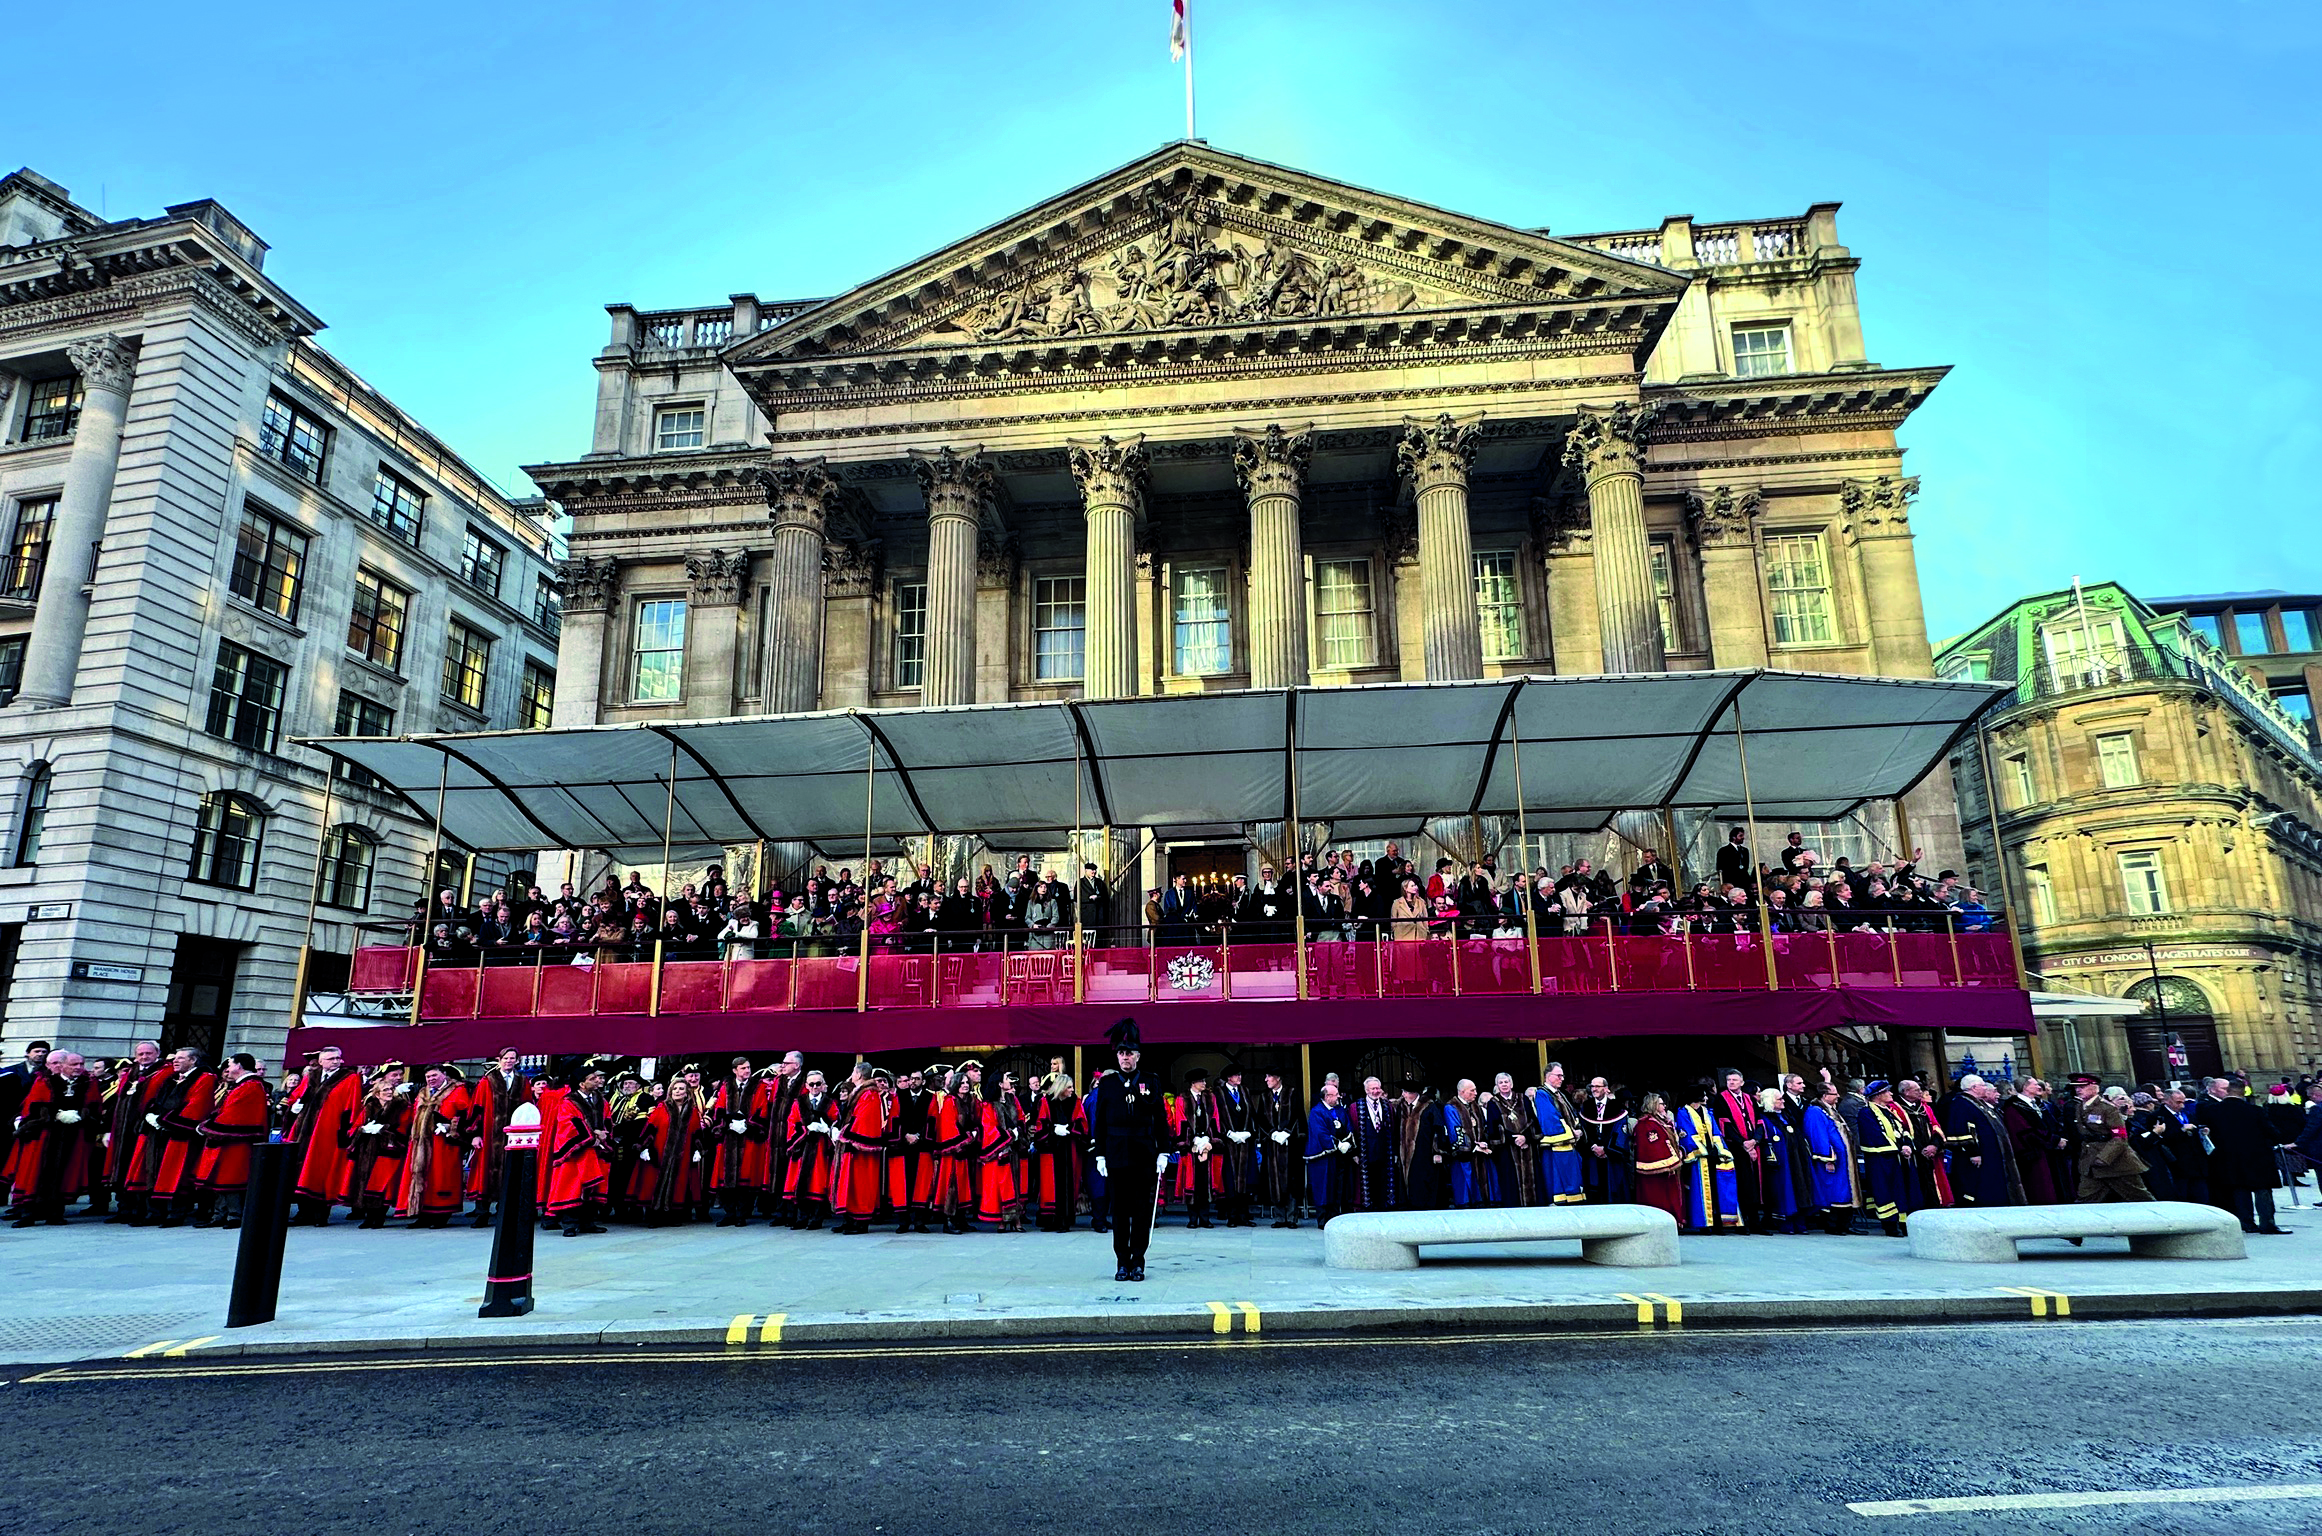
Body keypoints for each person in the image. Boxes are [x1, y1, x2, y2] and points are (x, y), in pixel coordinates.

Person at [1091, 1018, 1170, 1280]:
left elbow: (1160, 1118)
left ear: (1138, 1055)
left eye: (1130, 1053)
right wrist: (1100, 1153)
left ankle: (1138, 1260)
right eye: (1121, 1053)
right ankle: (1122, 1261)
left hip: (1143, 1153)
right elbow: (1099, 1120)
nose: (1125, 1058)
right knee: (1120, 1211)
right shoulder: (1107, 1084)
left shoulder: (1151, 1081)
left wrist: (1163, 1151)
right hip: (1115, 1153)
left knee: (1141, 1210)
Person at [5, 1051, 93, 1226]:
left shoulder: (88, 1083)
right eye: (74, 1065)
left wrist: (83, 1115)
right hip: (45, 1136)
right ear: (62, 1065)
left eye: (81, 1064)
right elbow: (34, 1107)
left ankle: (55, 1213)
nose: (78, 1068)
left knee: (64, 1173)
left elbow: (94, 1106)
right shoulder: (46, 1082)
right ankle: (28, 1214)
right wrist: (56, 1114)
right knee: (36, 1173)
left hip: (72, 1137)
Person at [2193, 1075, 2287, 1233]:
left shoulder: (2212, 1110)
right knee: (2262, 1190)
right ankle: (2267, 1223)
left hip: (2230, 1158)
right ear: (2243, 1092)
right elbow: (2272, 1132)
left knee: (2240, 1190)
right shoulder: (2255, 1111)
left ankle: (2247, 1223)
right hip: (2257, 1157)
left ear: (2228, 1091)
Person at [288, 1046, 364, 1226]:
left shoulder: (350, 1078)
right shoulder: (311, 1077)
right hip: (305, 1131)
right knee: (301, 1170)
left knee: (324, 1171)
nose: (336, 1061)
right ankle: (303, 1211)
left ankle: (321, 1214)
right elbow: (296, 1097)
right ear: (321, 1061)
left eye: (338, 1058)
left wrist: (347, 1133)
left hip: (329, 1134)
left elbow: (352, 1107)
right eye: (331, 1059)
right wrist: (293, 1107)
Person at [193, 1054, 270, 1229]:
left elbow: (235, 1116)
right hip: (228, 1141)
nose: (227, 1068)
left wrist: (206, 1127)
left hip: (237, 1143)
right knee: (220, 1177)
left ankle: (233, 1215)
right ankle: (219, 1214)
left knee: (231, 1178)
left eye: (230, 1064)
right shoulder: (243, 1085)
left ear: (240, 1066)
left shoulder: (250, 1086)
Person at [463, 1047, 533, 1227]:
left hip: (512, 1136)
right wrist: (475, 1135)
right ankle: (482, 1213)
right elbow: (477, 1109)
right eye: (506, 1058)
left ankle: (505, 1212)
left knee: (510, 1172)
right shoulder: (488, 1081)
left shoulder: (522, 1081)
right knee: (484, 1173)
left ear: (517, 1061)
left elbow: (527, 1107)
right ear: (499, 1059)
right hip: (489, 1133)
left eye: (512, 1058)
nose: (509, 1061)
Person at [398, 1066, 471, 1228]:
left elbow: (465, 1114)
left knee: (441, 1177)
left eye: (434, 1075)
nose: (431, 1079)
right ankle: (423, 1213)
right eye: (428, 1076)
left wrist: (450, 1127)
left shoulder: (457, 1090)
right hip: (420, 1142)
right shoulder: (423, 1093)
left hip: (443, 1142)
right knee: (421, 1177)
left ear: (443, 1075)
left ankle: (441, 1214)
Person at [547, 1065, 613, 1236]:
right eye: (592, 1078)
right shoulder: (568, 1101)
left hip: (596, 1149)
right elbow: (569, 1124)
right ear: (582, 1084)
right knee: (572, 1186)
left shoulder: (601, 1100)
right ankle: (569, 1224)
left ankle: (587, 1222)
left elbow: (607, 1119)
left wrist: (603, 1134)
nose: (597, 1080)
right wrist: (592, 1135)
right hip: (577, 1152)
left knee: (593, 1187)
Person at [2067, 1073, 2153, 1203]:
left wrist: (2104, 1157)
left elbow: (2120, 1137)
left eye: (2082, 1086)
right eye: (2076, 1087)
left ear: (2095, 1088)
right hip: (2091, 1161)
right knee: (2086, 1199)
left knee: (2139, 1196)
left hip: (2117, 1163)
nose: (2078, 1090)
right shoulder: (2079, 1107)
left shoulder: (2107, 1108)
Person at [1940, 1075, 2020, 1208]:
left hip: (1990, 1154)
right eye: (1983, 1085)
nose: (1985, 1088)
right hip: (1977, 1156)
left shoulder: (1977, 1102)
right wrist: (1973, 1152)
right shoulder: (1961, 1104)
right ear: (1974, 1087)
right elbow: (1963, 1130)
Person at [831, 1063, 890, 1235]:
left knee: (861, 1185)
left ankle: (860, 1221)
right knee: (850, 1185)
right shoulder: (860, 1092)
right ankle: (849, 1219)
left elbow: (864, 1121)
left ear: (858, 1074)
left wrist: (845, 1133)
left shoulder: (869, 1094)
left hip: (859, 1149)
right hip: (850, 1147)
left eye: (853, 1072)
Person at [1673, 1085, 1739, 1231]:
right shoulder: (1683, 1113)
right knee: (1700, 1191)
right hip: (1699, 1157)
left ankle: (1718, 1221)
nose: (1707, 1098)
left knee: (1717, 1189)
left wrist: (1719, 1150)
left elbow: (1716, 1131)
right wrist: (1704, 1151)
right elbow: (1688, 1134)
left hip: (1713, 1155)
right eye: (1704, 1095)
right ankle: (1704, 1223)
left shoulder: (1707, 1112)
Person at [1710, 1068, 1768, 1233]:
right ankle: (1742, 1223)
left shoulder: (1749, 1098)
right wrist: (1743, 1143)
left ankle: (1756, 1222)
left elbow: (1759, 1121)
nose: (1731, 1083)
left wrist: (1755, 1140)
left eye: (1735, 1080)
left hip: (1753, 1146)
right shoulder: (1721, 1098)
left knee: (1756, 1185)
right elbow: (1725, 1124)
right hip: (1736, 1148)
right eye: (1729, 1080)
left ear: (1742, 1082)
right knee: (1742, 1184)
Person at [1853, 1080, 1914, 1236]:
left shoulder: (1889, 1111)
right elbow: (1873, 1135)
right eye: (1887, 1092)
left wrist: (1906, 1145)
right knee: (1885, 1190)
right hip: (1881, 1159)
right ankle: (1890, 1225)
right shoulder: (1866, 1113)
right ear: (1878, 1095)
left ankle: (1903, 1223)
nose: (1891, 1094)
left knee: (1900, 1191)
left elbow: (1902, 1130)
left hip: (1896, 1158)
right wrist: (1898, 1149)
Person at [1802, 1081, 1861, 1234]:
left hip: (1844, 1162)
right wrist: (1827, 1158)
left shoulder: (1830, 1110)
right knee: (1834, 1192)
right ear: (1825, 1096)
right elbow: (1818, 1136)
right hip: (1832, 1162)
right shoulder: (1815, 1111)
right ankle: (1833, 1226)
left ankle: (1845, 1224)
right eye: (1835, 1094)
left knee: (1845, 1191)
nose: (1838, 1096)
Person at [783, 1070, 839, 1230]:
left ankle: (816, 1219)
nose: (815, 1087)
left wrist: (827, 1129)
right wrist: (805, 1130)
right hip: (802, 1149)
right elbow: (791, 1123)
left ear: (823, 1085)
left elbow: (836, 1122)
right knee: (799, 1184)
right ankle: (801, 1218)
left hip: (821, 1150)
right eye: (812, 1084)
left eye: (818, 1083)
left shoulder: (830, 1103)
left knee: (818, 1184)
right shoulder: (798, 1102)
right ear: (806, 1086)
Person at [1033, 1061, 1083, 1232]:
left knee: (1068, 1183)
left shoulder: (1075, 1102)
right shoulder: (1047, 1102)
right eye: (1069, 1087)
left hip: (1069, 1149)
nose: (1072, 1090)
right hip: (1051, 1150)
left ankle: (1065, 1220)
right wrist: (1054, 1130)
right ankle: (1051, 1220)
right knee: (1050, 1186)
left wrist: (1069, 1129)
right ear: (1061, 1087)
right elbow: (1040, 1125)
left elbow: (1082, 1124)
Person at [888, 1067, 940, 1234]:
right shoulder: (899, 1097)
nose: (913, 1082)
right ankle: (903, 1222)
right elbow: (894, 1119)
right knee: (901, 1185)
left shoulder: (930, 1098)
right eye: (911, 1079)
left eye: (917, 1079)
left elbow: (933, 1120)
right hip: (903, 1147)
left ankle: (919, 1222)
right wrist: (905, 1136)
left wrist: (918, 1136)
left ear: (923, 1081)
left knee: (921, 1185)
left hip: (922, 1146)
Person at [1527, 1062, 1585, 1207]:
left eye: (1562, 1075)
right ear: (1548, 1076)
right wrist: (1572, 1133)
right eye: (1558, 1075)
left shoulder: (1559, 1094)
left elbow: (1572, 1115)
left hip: (1568, 1147)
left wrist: (1578, 1129)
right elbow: (1549, 1119)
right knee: (1559, 1184)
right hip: (1556, 1148)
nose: (1562, 1078)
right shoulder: (1542, 1094)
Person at [1209, 1064, 1257, 1227]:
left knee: (1245, 1178)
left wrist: (1248, 1132)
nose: (1240, 1077)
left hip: (1244, 1141)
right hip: (1228, 1142)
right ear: (1229, 1077)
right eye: (1237, 1075)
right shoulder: (1218, 1093)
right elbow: (1216, 1116)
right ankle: (1232, 1216)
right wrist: (1228, 1133)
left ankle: (1244, 1215)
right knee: (1231, 1179)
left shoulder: (1244, 1091)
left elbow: (1251, 1113)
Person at [1304, 1079, 1355, 1227]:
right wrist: (1338, 1144)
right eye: (1336, 1094)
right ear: (1327, 1097)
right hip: (1323, 1157)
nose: (1339, 1097)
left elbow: (1348, 1127)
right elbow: (1320, 1133)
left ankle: (1334, 1218)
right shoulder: (1316, 1112)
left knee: (1337, 1187)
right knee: (1323, 1186)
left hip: (1339, 1156)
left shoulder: (1340, 1110)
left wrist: (1347, 1141)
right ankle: (1323, 1220)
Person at [1256, 1068, 1303, 1227]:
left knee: (1291, 1180)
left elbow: (1298, 1114)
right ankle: (1279, 1217)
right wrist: (1272, 1133)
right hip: (1272, 1145)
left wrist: (1287, 1133)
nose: (1266, 1080)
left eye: (1268, 1076)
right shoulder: (1264, 1096)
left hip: (1290, 1145)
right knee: (1274, 1180)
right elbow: (1260, 1118)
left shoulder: (1292, 1093)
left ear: (1278, 1078)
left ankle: (1291, 1217)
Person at [1439, 1080, 1497, 1209]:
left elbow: (1484, 1126)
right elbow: (1456, 1132)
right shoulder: (1451, 1108)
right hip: (1463, 1157)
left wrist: (1484, 1142)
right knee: (1466, 1193)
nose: (1476, 1093)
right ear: (1462, 1091)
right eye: (1472, 1090)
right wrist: (1473, 1147)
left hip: (1480, 1156)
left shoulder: (1475, 1106)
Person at [1576, 1077, 1630, 1204]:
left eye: (1597, 1086)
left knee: (1613, 1189)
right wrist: (1592, 1146)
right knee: (1594, 1189)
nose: (1594, 1089)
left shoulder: (1617, 1107)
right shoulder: (1586, 1107)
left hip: (1611, 1158)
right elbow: (1583, 1129)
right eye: (1592, 1086)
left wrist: (1606, 1150)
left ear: (1606, 1089)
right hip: (1592, 1156)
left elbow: (1620, 1131)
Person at [1631, 1093, 1683, 1223]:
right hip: (1657, 1172)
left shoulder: (1661, 1121)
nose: (1664, 1106)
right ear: (1653, 1105)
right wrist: (1671, 1161)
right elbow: (1653, 1147)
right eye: (1661, 1103)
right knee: (1657, 1198)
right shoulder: (1646, 1124)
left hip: (1670, 1170)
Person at [1348, 1075, 1397, 1211]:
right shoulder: (1355, 1107)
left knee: (1383, 1182)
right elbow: (1351, 1132)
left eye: (1378, 1088)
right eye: (1373, 1088)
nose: (1376, 1091)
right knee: (1366, 1185)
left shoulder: (1388, 1106)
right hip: (1365, 1153)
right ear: (1367, 1090)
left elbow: (1392, 1129)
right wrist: (1354, 1153)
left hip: (1383, 1152)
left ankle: (1382, 1208)